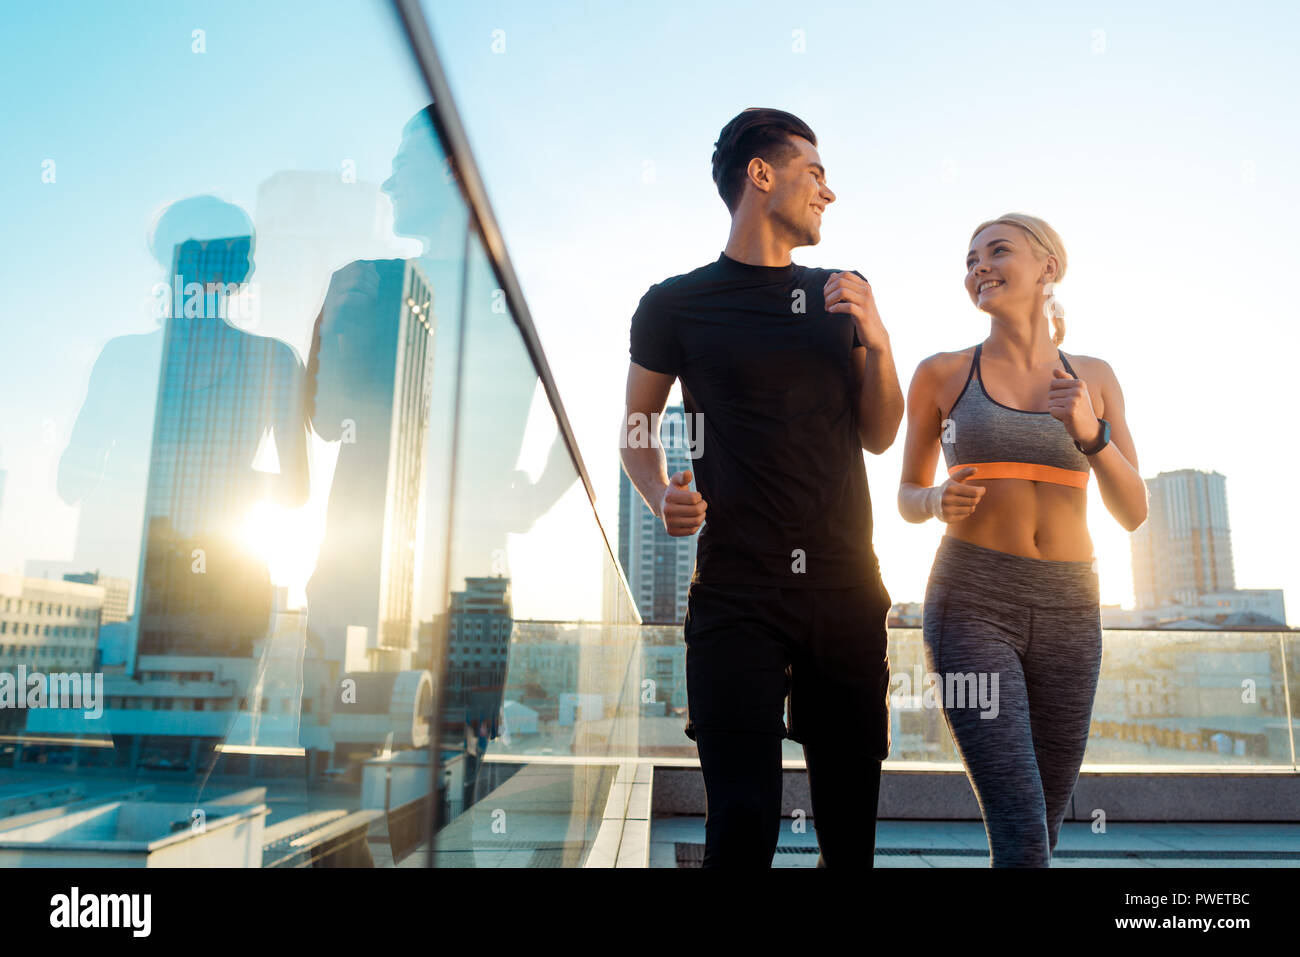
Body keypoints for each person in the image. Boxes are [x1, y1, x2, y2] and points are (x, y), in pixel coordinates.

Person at [620, 108, 903, 867]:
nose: (829, 192)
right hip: (735, 594)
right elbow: (637, 428)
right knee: (741, 826)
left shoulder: (844, 293)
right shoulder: (675, 304)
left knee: (850, 841)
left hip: (845, 589)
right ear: (761, 174)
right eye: (816, 171)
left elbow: (881, 432)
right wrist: (659, 496)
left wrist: (879, 341)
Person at [897, 212, 1148, 866]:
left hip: (1072, 606)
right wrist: (932, 500)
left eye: (996, 251)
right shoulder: (942, 374)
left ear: (1048, 267)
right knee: (1021, 829)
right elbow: (905, 493)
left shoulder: (1094, 377)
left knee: (1045, 820)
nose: (978, 266)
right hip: (970, 601)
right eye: (970, 258)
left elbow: (1134, 510)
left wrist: (1090, 432)